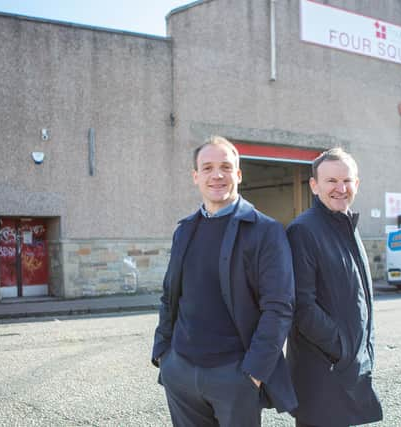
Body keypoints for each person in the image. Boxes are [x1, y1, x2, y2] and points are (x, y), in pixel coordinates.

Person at [151, 136, 297, 427]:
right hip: (180, 370)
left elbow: (279, 307)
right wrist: (163, 355)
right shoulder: (185, 230)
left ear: (238, 175)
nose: (217, 175)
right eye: (207, 168)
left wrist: (254, 373)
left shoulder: (265, 231)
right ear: (196, 176)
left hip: (235, 375)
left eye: (225, 167)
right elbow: (170, 296)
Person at [286, 148, 383, 427]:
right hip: (321, 374)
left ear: (357, 184)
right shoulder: (303, 231)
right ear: (314, 185)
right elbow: (301, 307)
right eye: (331, 181)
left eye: (347, 181)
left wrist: (362, 351)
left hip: (348, 367)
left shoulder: (347, 227)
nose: (340, 188)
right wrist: (343, 347)